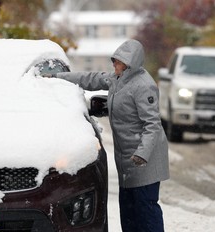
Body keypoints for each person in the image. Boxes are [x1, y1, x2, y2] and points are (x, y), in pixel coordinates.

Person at [44, 39, 169, 232]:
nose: (114, 64)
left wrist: (142, 154)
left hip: (145, 158)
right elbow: (91, 78)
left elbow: (152, 125)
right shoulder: (118, 79)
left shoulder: (144, 86)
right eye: (114, 60)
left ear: (129, 63)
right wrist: (57, 77)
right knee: (128, 208)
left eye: (118, 61)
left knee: (145, 208)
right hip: (127, 157)